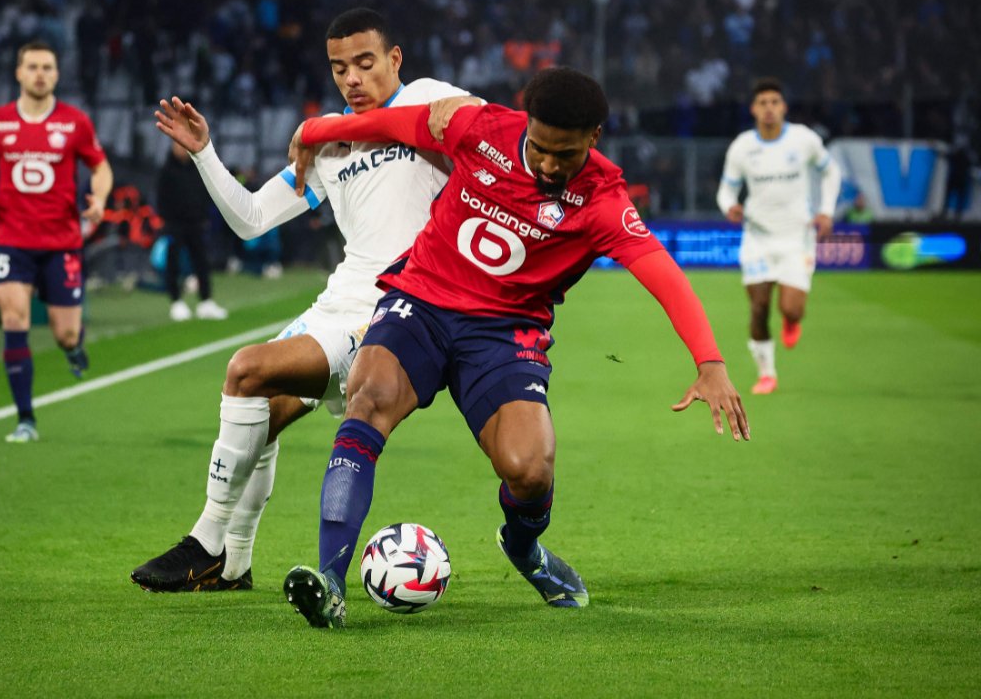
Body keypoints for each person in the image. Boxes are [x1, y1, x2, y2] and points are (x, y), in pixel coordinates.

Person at [281, 66, 749, 628]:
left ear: (594, 139)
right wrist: (316, 130)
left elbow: (665, 277)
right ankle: (330, 580)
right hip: (423, 300)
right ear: (527, 124)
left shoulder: (603, 201)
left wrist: (710, 363)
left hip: (505, 333)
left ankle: (525, 549)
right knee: (369, 396)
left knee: (530, 469)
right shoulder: (478, 127)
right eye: (541, 148)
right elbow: (400, 124)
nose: (550, 164)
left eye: (566, 154)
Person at [130, 7, 480, 592]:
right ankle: (234, 563)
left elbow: (477, 123)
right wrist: (204, 154)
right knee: (260, 415)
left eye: (366, 63)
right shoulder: (330, 146)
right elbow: (252, 220)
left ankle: (205, 539)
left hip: (392, 310)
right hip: (335, 302)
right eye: (340, 67)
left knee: (246, 370)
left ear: (395, 59)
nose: (352, 78)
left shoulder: (427, 96)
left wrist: (327, 126)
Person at [0, 40, 113, 443]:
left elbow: (100, 167)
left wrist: (100, 198)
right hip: (10, 238)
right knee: (14, 319)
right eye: (33, 67)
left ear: (57, 74)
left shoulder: (75, 123)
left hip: (61, 242)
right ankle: (26, 419)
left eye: (47, 67)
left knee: (65, 334)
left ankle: (73, 348)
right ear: (19, 73)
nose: (40, 73)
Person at [716, 77, 841, 395]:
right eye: (762, 103)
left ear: (783, 107)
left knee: (791, 308)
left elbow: (831, 171)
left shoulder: (803, 139)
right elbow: (726, 189)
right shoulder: (743, 146)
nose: (769, 108)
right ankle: (766, 373)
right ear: (753, 109)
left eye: (774, 102)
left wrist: (826, 210)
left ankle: (791, 319)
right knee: (758, 307)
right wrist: (730, 206)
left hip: (796, 238)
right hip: (757, 237)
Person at [156, 141, 228, 321]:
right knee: (173, 264)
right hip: (175, 226)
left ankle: (206, 301)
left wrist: (203, 216)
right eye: (177, 145)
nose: (181, 149)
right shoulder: (166, 171)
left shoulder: (196, 169)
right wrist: (169, 221)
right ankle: (176, 302)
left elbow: (203, 194)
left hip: (196, 224)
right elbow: (161, 199)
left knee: (202, 262)